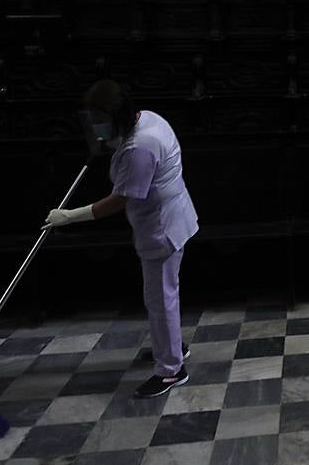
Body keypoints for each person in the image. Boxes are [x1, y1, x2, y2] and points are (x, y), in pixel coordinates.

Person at [44, 80, 199, 398]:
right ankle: (172, 348)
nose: (96, 125)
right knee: (161, 296)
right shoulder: (147, 118)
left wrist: (71, 215)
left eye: (101, 119)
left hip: (163, 229)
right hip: (169, 219)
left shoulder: (140, 147)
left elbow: (121, 198)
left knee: (160, 299)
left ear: (118, 115)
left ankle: (171, 371)